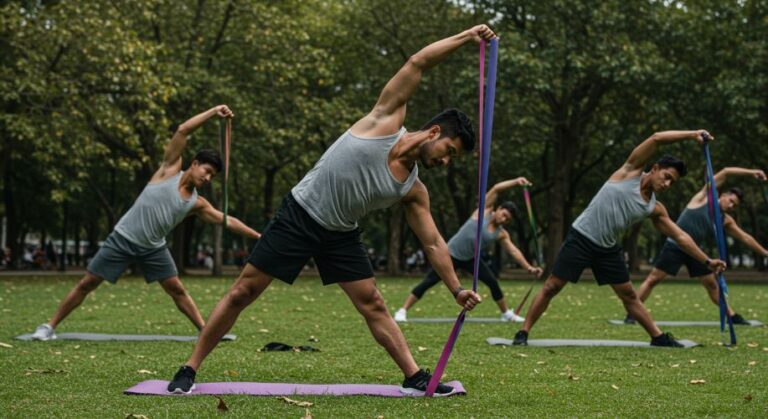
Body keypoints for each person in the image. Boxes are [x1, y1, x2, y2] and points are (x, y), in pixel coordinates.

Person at [166, 25, 497, 397]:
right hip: (300, 214)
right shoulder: (384, 120)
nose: (447, 162)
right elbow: (417, 62)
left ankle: (414, 375)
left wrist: (455, 288)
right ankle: (188, 369)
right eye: (449, 151)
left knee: (372, 302)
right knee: (243, 291)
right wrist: (468, 37)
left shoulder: (413, 190)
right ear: (434, 133)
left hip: (340, 234)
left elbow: (434, 242)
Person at [30, 105, 261, 341]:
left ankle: (205, 331)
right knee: (87, 283)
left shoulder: (196, 203)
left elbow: (228, 221)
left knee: (177, 289)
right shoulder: (168, 170)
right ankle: (48, 327)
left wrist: (260, 237)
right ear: (194, 163)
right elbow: (182, 131)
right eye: (207, 170)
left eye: (212, 176)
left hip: (153, 248)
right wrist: (213, 113)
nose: (208, 177)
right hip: (122, 238)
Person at [511, 130, 727, 347]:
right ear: (655, 169)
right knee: (552, 286)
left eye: (672, 183)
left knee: (629, 295)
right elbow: (656, 139)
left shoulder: (654, 207)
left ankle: (658, 337)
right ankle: (523, 332)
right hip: (582, 238)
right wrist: (692, 135)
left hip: (607, 249)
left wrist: (707, 261)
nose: (667, 184)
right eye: (667, 177)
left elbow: (680, 236)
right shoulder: (629, 172)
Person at [626, 167, 768, 324]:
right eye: (731, 201)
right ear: (723, 195)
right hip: (675, 245)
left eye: (735, 206)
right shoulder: (703, 198)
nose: (731, 206)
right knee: (653, 279)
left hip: (695, 252)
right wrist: (752, 173)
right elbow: (726, 172)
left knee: (712, 285)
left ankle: (732, 316)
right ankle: (633, 313)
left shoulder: (725, 220)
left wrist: (765, 253)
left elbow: (745, 238)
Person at [394, 177, 543, 322]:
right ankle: (402, 310)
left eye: (507, 219)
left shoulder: (501, 234)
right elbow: (497, 188)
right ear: (499, 209)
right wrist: (516, 182)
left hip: (471, 259)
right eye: (504, 215)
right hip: (450, 254)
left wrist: (529, 267)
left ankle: (506, 314)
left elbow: (514, 251)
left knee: (492, 282)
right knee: (428, 282)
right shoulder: (483, 212)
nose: (504, 219)